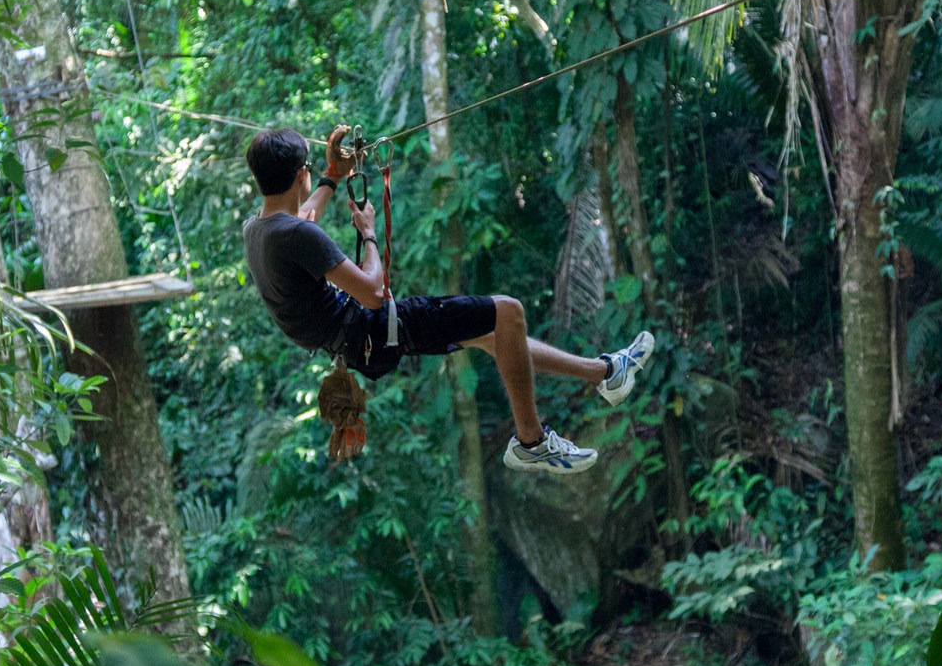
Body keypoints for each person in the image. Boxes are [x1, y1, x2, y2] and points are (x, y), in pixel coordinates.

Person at [242, 125, 653, 474]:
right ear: (301, 175)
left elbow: (303, 215)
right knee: (508, 312)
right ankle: (532, 442)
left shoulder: (258, 230)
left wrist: (333, 174)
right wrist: (367, 232)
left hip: (356, 343)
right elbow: (372, 293)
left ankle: (605, 373)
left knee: (496, 337)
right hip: (373, 328)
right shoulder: (297, 235)